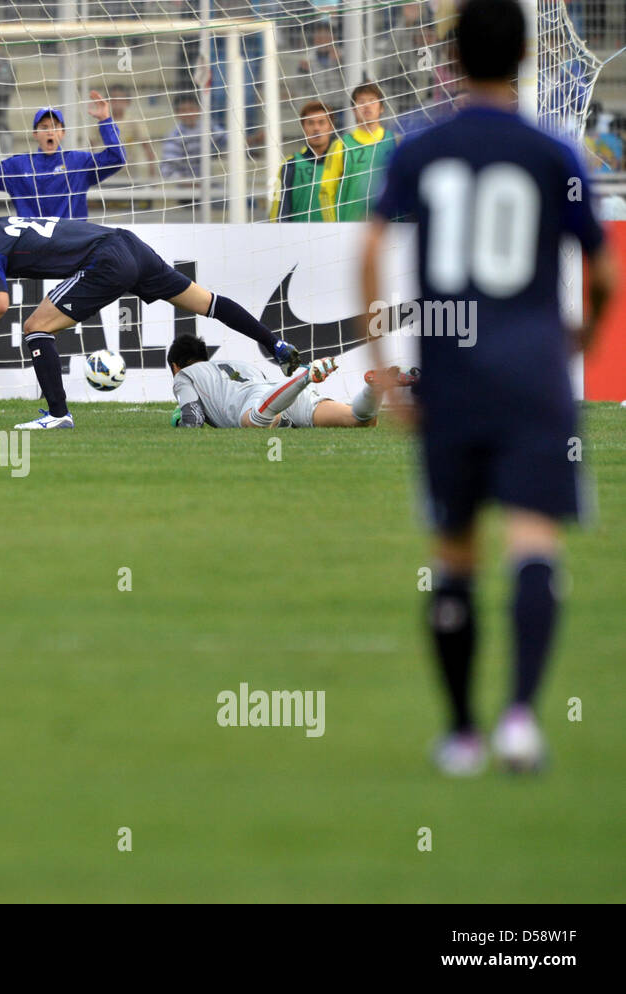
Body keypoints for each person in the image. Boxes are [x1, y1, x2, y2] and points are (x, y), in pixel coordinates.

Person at [361, 0, 617, 776]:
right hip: (534, 372)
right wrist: (579, 337)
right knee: (534, 538)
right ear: (526, 56)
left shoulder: (419, 149)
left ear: (450, 58)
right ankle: (519, 722)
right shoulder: (553, 152)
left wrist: (384, 359)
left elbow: (372, 253)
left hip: (453, 375)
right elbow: (602, 273)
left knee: (455, 551)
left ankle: (462, 734)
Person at [0, 215, 302, 430]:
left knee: (35, 327)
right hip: (131, 246)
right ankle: (276, 345)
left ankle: (58, 414)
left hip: (106, 259)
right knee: (208, 302)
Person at [167, 333, 414, 428]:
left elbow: (193, 420)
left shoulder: (184, 376)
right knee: (361, 420)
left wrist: (179, 423)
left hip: (259, 404)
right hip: (276, 394)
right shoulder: (238, 364)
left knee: (257, 422)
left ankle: (306, 376)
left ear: (176, 366)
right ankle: (375, 388)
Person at [0, 92, 125, 219]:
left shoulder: (78, 162)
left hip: (72, 245)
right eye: (44, 127)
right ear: (35, 134)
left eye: (55, 126)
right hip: (33, 246)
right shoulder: (18, 165)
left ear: (63, 133)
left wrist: (106, 121)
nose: (50, 131)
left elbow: (116, 158)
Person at [269, 101, 343, 222]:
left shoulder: (344, 163)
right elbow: (278, 212)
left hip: (337, 238)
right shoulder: (289, 165)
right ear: (303, 127)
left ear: (331, 127)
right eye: (310, 123)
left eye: (321, 122)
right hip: (300, 238)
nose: (316, 128)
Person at [336, 83, 397, 221]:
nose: (367, 106)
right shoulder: (341, 145)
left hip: (390, 226)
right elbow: (327, 190)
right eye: (361, 102)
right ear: (353, 109)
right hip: (350, 228)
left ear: (381, 108)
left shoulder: (397, 141)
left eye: (372, 101)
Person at [159, 92, 215, 180]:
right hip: (187, 189)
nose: (188, 113)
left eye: (191, 109)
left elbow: (227, 140)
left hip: (210, 184)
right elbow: (167, 171)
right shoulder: (174, 137)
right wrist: (190, 183)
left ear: (199, 110)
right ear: (176, 113)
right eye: (184, 110)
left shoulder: (209, 128)